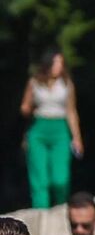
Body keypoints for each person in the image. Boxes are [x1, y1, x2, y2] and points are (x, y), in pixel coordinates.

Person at [19, 49, 82, 208]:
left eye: (61, 63)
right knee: (40, 177)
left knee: (60, 177)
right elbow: (25, 107)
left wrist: (76, 137)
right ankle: (41, 209)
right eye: (56, 63)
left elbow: (71, 111)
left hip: (60, 128)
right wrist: (29, 108)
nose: (59, 66)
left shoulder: (67, 84)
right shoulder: (34, 83)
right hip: (39, 128)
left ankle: (61, 207)